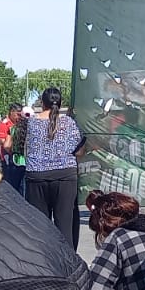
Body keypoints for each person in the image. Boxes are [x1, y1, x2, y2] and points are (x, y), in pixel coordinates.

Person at [24, 86, 84, 247]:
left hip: (36, 177)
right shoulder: (69, 123)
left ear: (42, 103)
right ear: (60, 102)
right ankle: (68, 267)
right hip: (65, 177)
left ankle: (41, 267)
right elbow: (79, 151)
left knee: (38, 229)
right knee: (65, 227)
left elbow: (15, 147)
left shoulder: (30, 123)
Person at [0, 102, 26, 195]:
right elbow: (1, 141)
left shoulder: (21, 123)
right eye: (17, 114)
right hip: (7, 155)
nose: (19, 117)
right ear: (11, 112)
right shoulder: (4, 124)